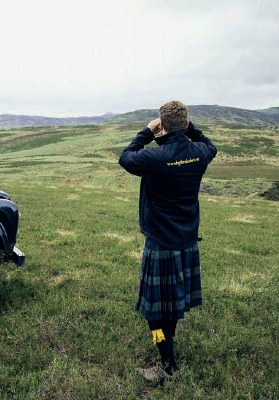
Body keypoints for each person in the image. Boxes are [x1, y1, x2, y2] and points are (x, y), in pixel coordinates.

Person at [118, 100, 217, 383]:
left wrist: (148, 132)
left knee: (153, 313)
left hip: (160, 243)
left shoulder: (153, 158)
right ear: (185, 123)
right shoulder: (200, 153)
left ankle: (167, 364)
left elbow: (126, 157)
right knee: (171, 306)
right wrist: (190, 128)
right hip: (186, 242)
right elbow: (211, 145)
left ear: (162, 125)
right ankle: (167, 348)